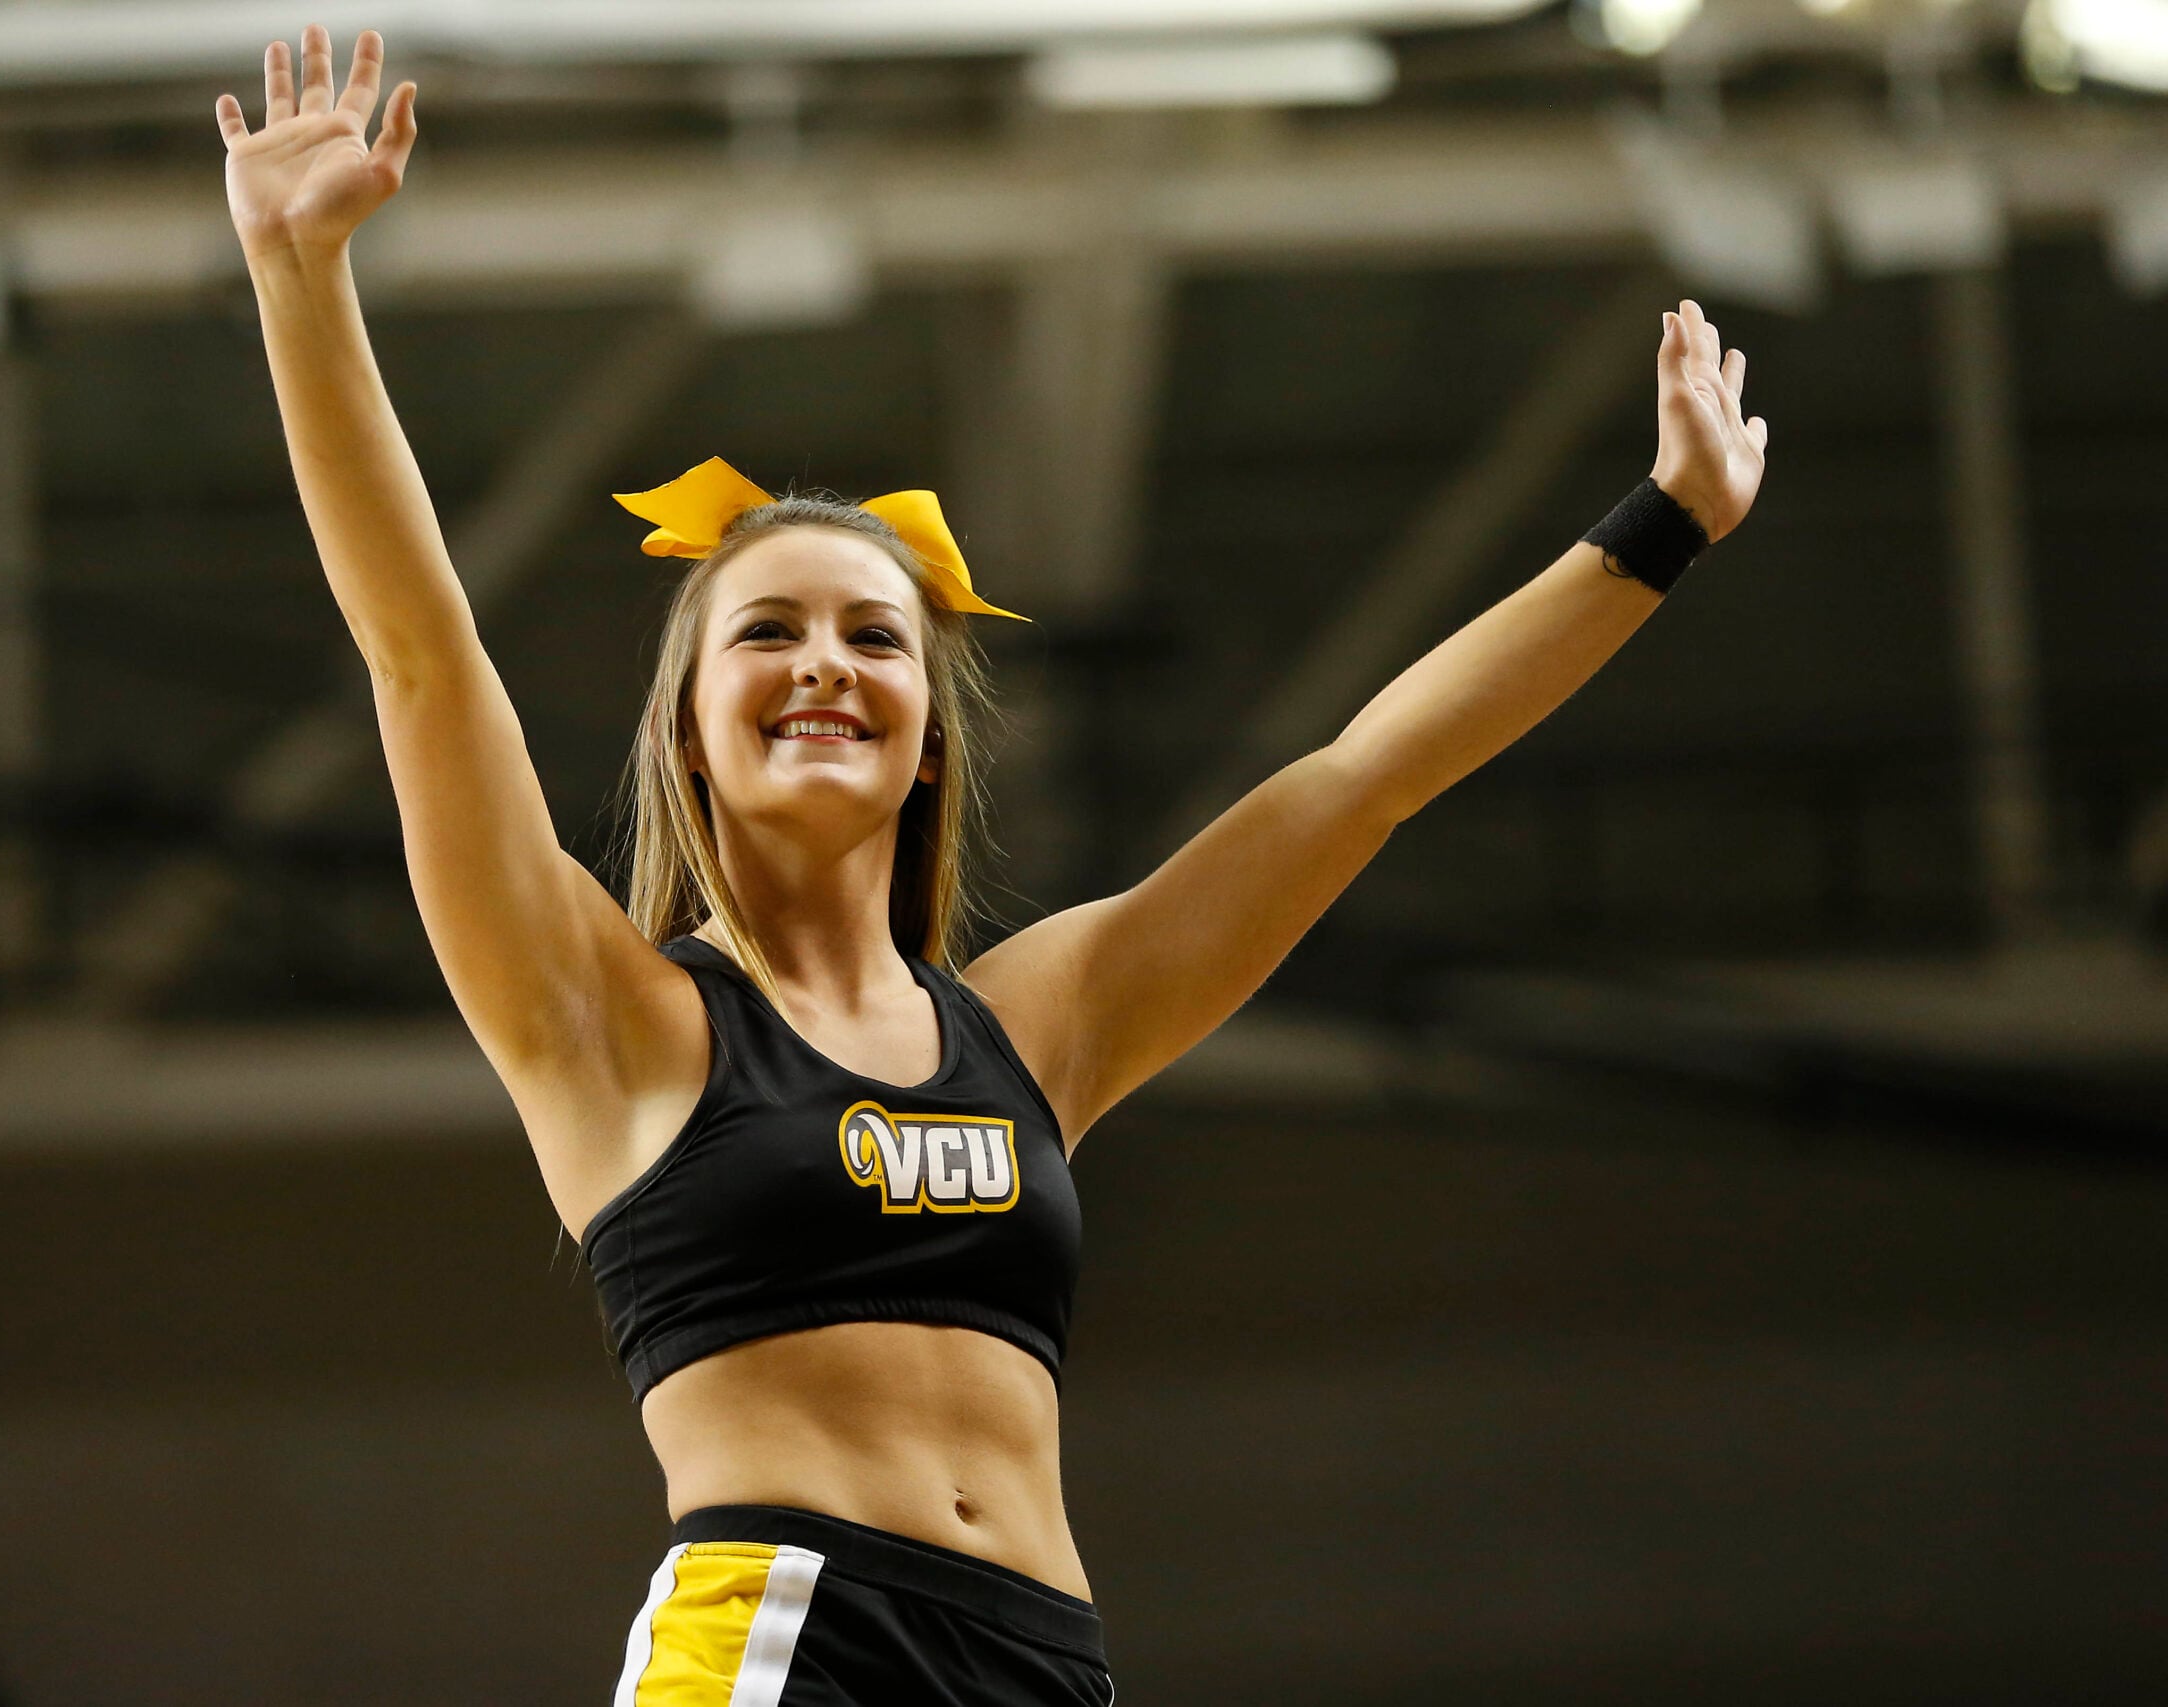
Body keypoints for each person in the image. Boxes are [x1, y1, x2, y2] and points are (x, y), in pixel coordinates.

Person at [215, 26, 1769, 1705]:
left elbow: (1366, 778)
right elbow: (420, 655)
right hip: (791, 1638)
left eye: (875, 637)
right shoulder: (615, 1022)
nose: (827, 663)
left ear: (931, 731)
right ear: (686, 727)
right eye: (769, 633)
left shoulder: (1042, 1021)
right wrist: (301, 282)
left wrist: (1663, 526)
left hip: (1047, 1662)